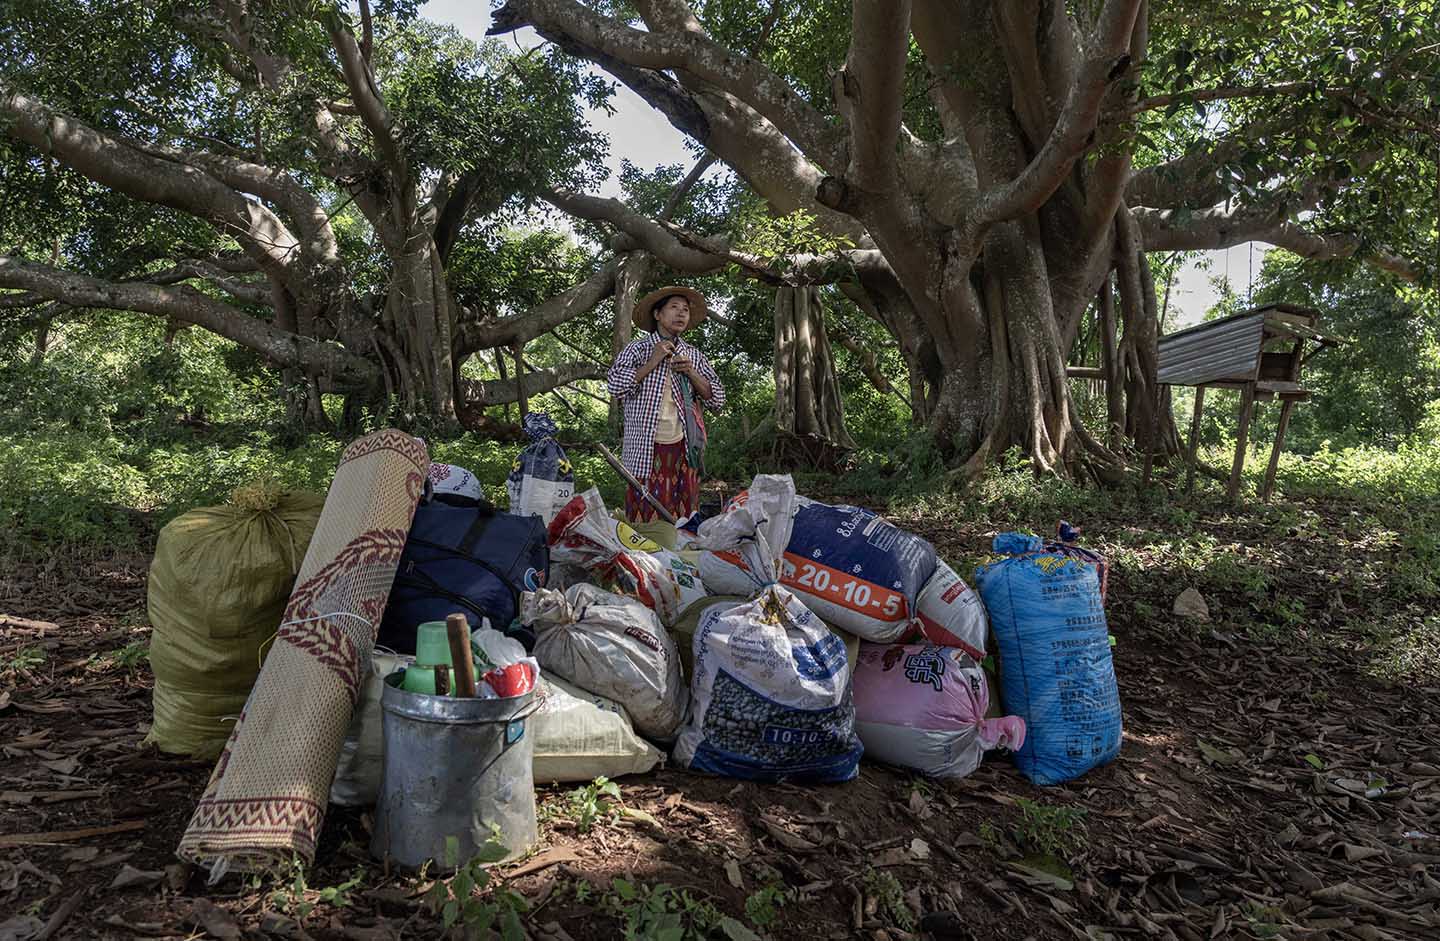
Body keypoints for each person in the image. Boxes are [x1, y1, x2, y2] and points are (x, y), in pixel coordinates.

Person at [608, 285, 725, 522]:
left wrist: (692, 373)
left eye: (685, 310)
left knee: (683, 515)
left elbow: (718, 399)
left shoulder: (693, 355)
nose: (681, 313)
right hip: (645, 447)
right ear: (657, 314)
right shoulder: (637, 349)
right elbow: (615, 386)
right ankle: (645, 557)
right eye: (674, 307)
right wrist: (653, 360)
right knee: (644, 512)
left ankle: (678, 557)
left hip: (683, 448)